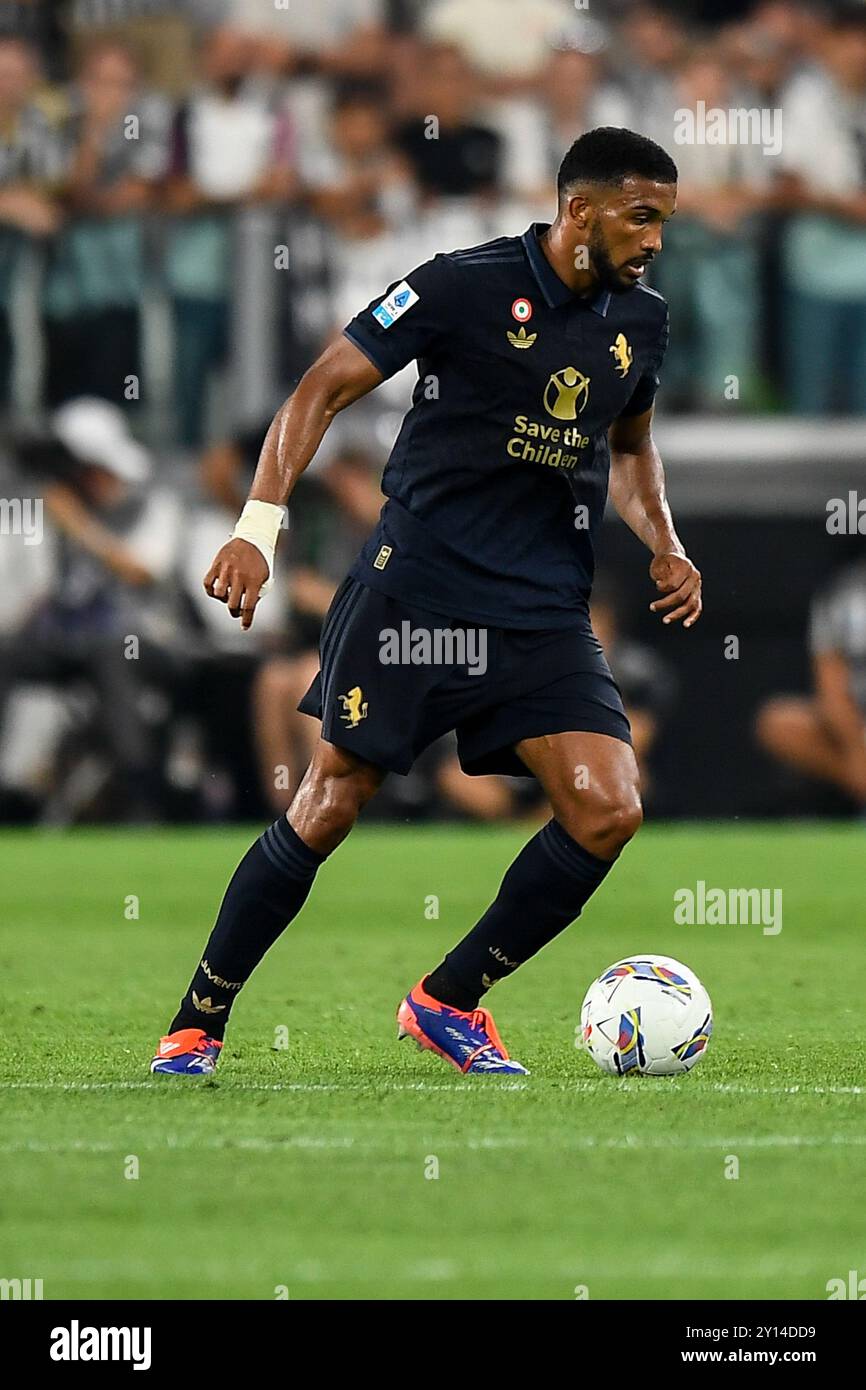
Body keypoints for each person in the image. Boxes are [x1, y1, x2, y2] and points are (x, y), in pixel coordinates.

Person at [151, 127, 702, 1079]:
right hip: (420, 589)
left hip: (541, 609)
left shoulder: (640, 321)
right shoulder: (460, 284)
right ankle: (198, 1021)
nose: (655, 239)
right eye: (640, 216)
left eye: (664, 220)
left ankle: (446, 1002)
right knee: (328, 805)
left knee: (608, 809)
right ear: (580, 210)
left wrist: (667, 541)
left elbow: (629, 449)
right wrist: (257, 526)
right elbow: (321, 388)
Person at [756, 561, 866, 811]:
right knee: (781, 722)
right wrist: (855, 746)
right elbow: (831, 685)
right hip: (857, 724)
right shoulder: (844, 593)